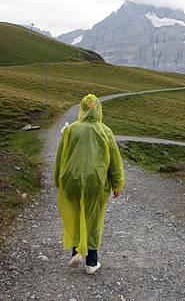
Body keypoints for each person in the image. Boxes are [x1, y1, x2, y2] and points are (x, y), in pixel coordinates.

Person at [54, 93, 125, 274]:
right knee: (93, 220)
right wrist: (117, 184)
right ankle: (91, 263)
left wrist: (57, 179)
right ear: (98, 109)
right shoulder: (105, 131)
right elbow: (114, 162)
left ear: (82, 108)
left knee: (76, 214)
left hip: (72, 180)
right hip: (96, 182)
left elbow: (60, 156)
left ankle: (76, 251)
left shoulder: (71, 130)